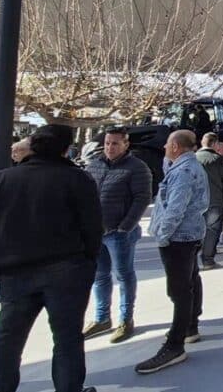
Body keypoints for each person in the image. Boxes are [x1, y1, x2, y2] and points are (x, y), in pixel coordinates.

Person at [0, 124, 102, 392]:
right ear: (66, 149)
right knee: (67, 340)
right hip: (67, 270)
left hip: (14, 273)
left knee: (7, 342)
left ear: (31, 147)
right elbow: (93, 228)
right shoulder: (78, 179)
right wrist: (88, 264)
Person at [135, 130, 208, 375]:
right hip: (189, 235)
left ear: (175, 146)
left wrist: (163, 235)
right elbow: (169, 172)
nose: (165, 148)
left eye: (167, 145)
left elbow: (175, 207)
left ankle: (174, 345)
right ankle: (189, 327)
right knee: (190, 281)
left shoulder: (184, 174)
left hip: (178, 238)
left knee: (179, 290)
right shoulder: (185, 167)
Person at [82, 127, 153, 344]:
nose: (110, 147)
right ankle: (102, 318)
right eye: (107, 143)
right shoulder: (94, 165)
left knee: (123, 275)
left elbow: (142, 198)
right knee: (100, 276)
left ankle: (126, 320)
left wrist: (126, 226)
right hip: (97, 233)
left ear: (125, 145)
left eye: (115, 143)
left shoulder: (137, 168)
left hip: (119, 234)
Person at [195, 133, 223, 269]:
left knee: (194, 229)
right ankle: (208, 260)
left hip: (195, 201)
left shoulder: (192, 159)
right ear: (215, 144)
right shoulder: (219, 160)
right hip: (215, 200)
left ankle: (191, 259)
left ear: (202, 142)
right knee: (212, 230)